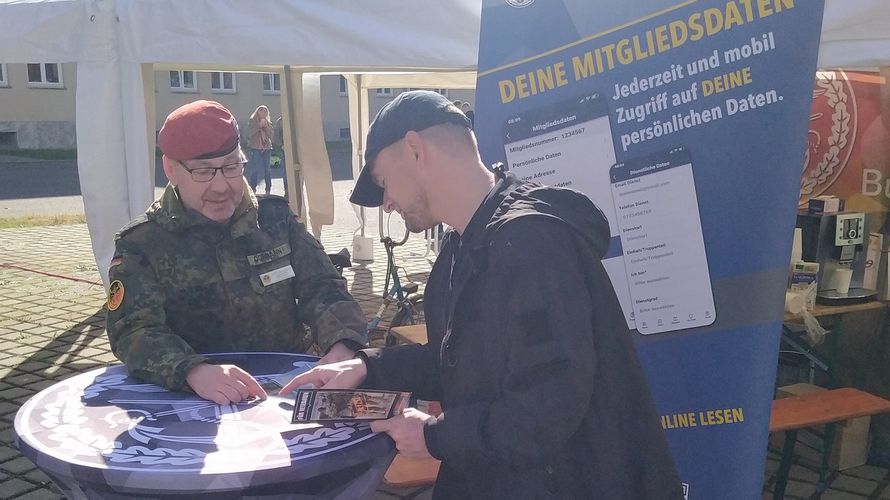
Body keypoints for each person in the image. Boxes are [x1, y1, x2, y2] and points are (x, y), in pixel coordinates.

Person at [282, 91, 682, 498]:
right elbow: (460, 363)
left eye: (383, 182)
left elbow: (547, 405)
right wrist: (367, 367)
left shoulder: (531, 243)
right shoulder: (462, 249)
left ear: (415, 150)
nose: (386, 204)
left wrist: (435, 437)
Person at [106, 100, 367, 405]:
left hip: (282, 392)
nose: (221, 186)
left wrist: (343, 344)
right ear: (171, 170)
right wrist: (191, 371)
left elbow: (324, 287)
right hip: (193, 403)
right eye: (203, 172)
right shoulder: (143, 243)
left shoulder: (275, 220)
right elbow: (134, 331)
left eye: (232, 167)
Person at [247, 104, 274, 194]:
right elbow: (250, 134)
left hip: (267, 148)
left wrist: (266, 127)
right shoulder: (252, 121)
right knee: (255, 169)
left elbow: (271, 135)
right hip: (256, 148)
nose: (263, 113)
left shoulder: (268, 122)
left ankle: (268, 189)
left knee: (268, 170)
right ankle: (253, 188)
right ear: (257, 112)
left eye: (265, 111)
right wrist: (259, 126)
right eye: (261, 111)